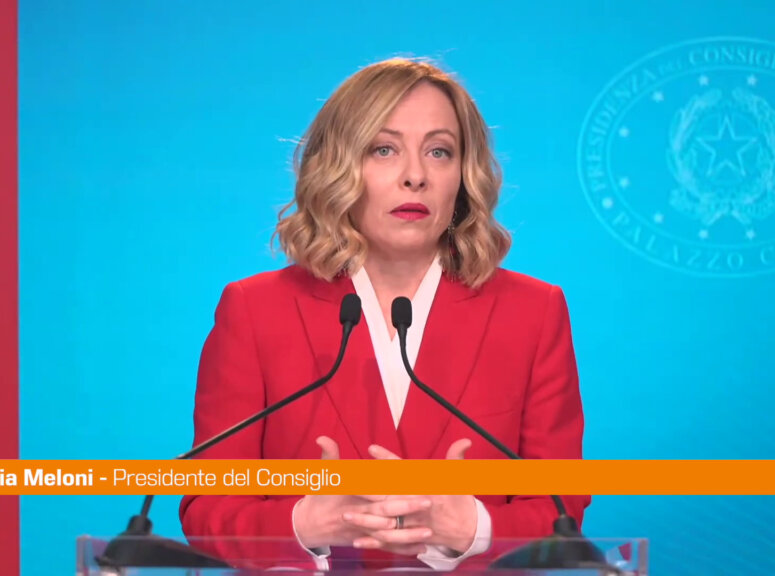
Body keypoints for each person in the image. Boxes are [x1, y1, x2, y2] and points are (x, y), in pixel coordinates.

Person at [179, 57, 589, 570]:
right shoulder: (256, 310)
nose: (415, 176)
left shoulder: (532, 312)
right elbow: (208, 506)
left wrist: (472, 528)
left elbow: (560, 509)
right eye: (384, 149)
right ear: (339, 167)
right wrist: (306, 522)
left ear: (464, 177)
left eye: (439, 152)